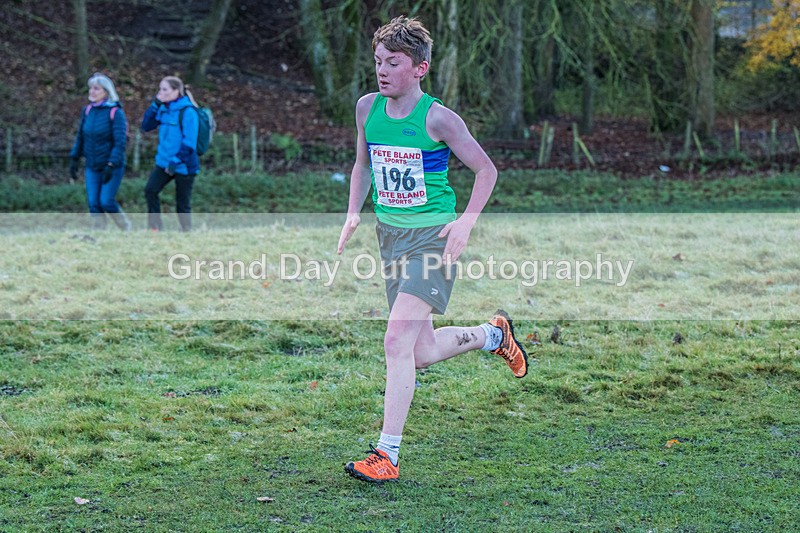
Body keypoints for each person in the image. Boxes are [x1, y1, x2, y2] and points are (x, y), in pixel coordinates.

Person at [337, 16, 529, 483]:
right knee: (419, 351)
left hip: (432, 239)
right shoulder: (367, 108)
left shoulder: (438, 118)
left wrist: (465, 222)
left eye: (394, 63)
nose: (382, 71)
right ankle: (492, 335)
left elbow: (487, 171)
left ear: (420, 68)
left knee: (395, 340)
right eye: (379, 61)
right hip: (392, 239)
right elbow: (363, 164)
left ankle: (387, 454)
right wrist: (353, 212)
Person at [69, 72, 131, 230]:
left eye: (96, 89)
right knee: (93, 203)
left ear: (106, 92)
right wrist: (74, 159)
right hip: (92, 165)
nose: (92, 92)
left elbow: (120, 142)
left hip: (111, 166)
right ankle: (99, 233)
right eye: (91, 88)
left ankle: (126, 228)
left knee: (106, 201)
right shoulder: (88, 111)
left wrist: (111, 164)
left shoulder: (115, 113)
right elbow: (81, 136)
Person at [141, 76, 200, 232]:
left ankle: (186, 230)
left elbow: (190, 142)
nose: (161, 93)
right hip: (164, 162)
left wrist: (176, 160)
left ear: (176, 91)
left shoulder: (188, 112)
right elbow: (146, 126)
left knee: (182, 201)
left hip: (183, 164)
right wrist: (155, 105)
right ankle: (155, 228)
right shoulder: (164, 109)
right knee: (150, 190)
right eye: (160, 89)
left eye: (165, 89)